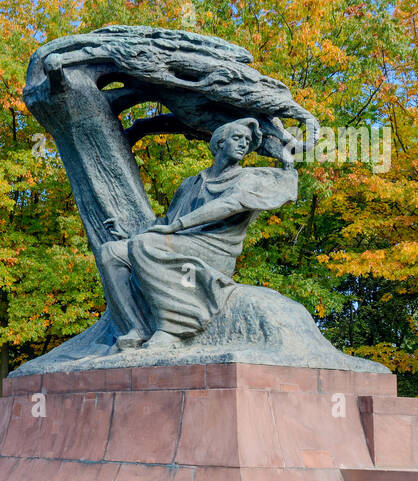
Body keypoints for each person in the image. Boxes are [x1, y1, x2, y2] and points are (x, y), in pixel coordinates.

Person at [100, 118, 297, 352]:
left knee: (145, 244)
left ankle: (173, 328)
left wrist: (175, 228)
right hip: (181, 242)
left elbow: (228, 205)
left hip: (215, 250)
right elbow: (166, 223)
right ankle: (137, 327)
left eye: (247, 140)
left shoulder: (248, 179)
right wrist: (131, 234)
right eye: (237, 138)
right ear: (220, 143)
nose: (243, 144)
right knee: (110, 252)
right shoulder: (191, 183)